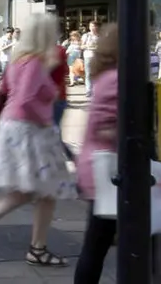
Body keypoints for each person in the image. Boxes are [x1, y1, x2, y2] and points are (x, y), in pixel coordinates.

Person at [0, 13, 75, 267]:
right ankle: (37, 248)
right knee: (46, 191)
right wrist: (45, 121)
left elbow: (3, 91)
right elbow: (25, 100)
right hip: (31, 131)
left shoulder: (18, 60)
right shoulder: (35, 63)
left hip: (15, 129)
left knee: (26, 191)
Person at [73, 24, 119, 283]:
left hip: (98, 168)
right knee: (96, 244)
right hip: (108, 172)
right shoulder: (117, 79)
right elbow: (108, 128)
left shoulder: (105, 77)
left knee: (97, 242)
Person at [81, 22, 100, 97]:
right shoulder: (86, 35)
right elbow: (81, 46)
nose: (93, 28)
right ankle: (89, 90)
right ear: (89, 27)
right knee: (88, 74)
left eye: (95, 26)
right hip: (88, 55)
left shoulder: (100, 36)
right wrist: (87, 46)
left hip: (97, 56)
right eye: (91, 26)